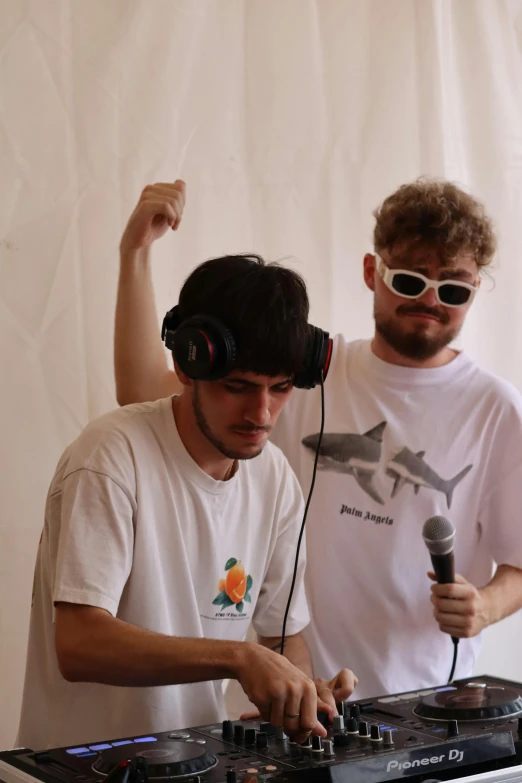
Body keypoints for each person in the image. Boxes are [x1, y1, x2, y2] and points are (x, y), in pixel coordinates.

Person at [113, 177, 522, 701]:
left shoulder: (496, 408)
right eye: (409, 280)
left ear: (476, 291)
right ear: (372, 272)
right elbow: (141, 391)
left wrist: (486, 607)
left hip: (426, 708)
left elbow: (516, 561)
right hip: (288, 700)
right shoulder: (303, 379)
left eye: (453, 289)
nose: (429, 301)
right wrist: (135, 254)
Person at [16, 185, 357, 752]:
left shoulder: (274, 478)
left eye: (279, 389)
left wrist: (303, 691)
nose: (262, 413)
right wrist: (237, 657)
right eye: (238, 388)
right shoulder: (110, 457)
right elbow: (78, 643)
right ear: (186, 363)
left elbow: (281, 638)